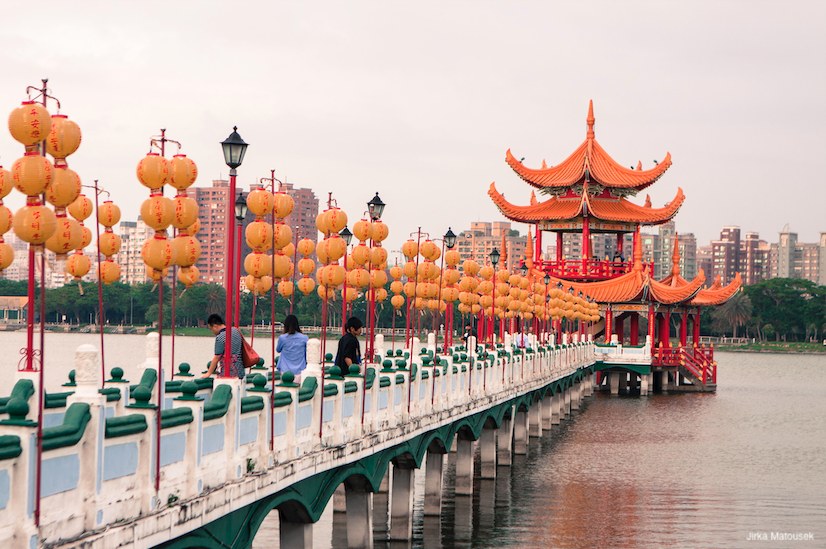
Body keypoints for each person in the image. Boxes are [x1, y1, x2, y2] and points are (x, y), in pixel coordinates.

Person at [203, 314, 244, 379]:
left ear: (215, 326)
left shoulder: (220, 337)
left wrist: (208, 373)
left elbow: (217, 357)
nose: (212, 332)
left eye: (211, 329)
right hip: (240, 371)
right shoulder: (236, 331)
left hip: (229, 373)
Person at [276, 315, 308, 380]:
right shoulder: (304, 338)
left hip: (285, 371)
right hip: (300, 371)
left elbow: (278, 350)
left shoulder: (282, 338)